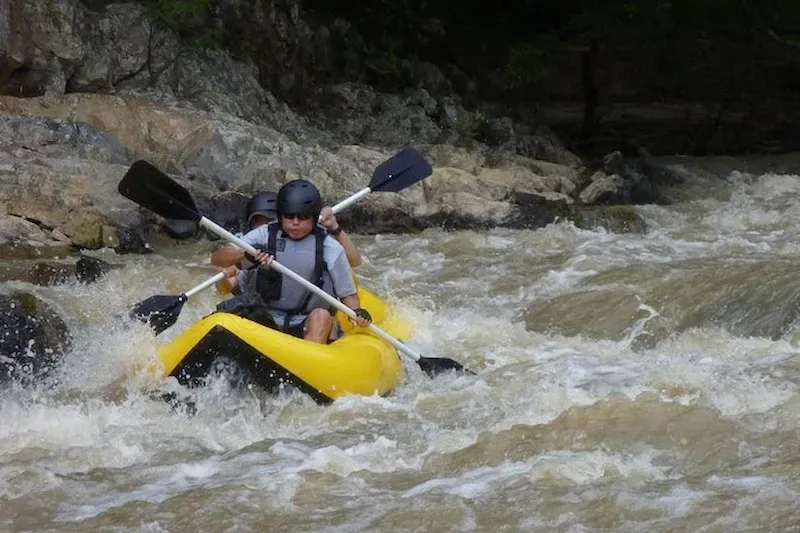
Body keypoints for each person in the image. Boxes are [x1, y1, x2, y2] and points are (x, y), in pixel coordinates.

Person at [211, 180, 372, 344]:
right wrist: (245, 255)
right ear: (280, 216)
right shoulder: (263, 235)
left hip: (306, 322)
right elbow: (218, 258)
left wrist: (356, 312)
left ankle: (308, 362)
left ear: (314, 217)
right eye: (289, 216)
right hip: (265, 318)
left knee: (321, 315)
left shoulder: (330, 248)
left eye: (302, 217)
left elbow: (348, 295)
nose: (295, 222)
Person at [216, 190, 362, 295]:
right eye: (258, 224)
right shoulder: (248, 257)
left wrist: (334, 228)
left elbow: (354, 263)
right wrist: (227, 273)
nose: (265, 229)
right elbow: (225, 286)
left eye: (270, 222)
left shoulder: (313, 247)